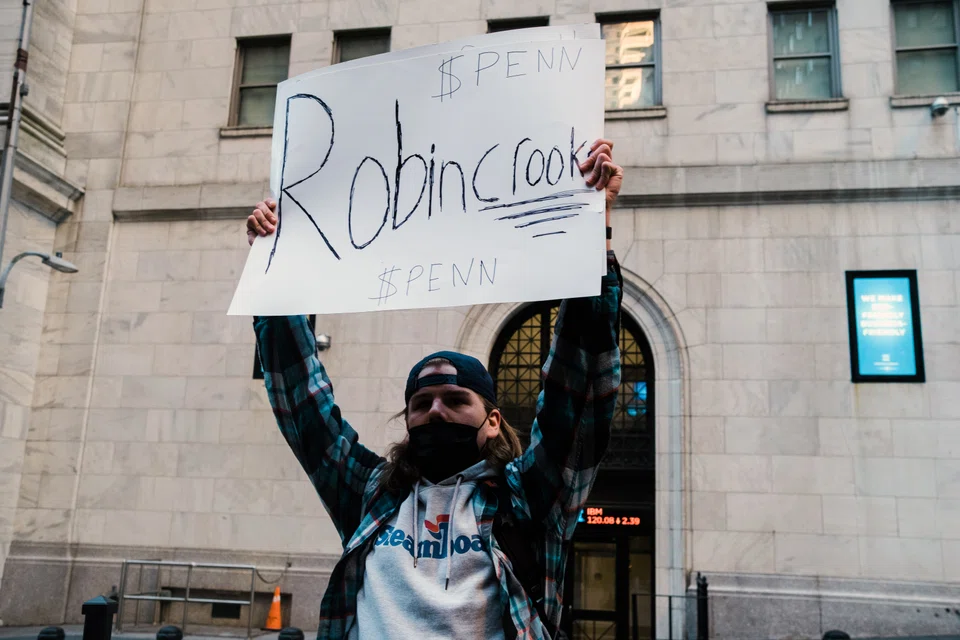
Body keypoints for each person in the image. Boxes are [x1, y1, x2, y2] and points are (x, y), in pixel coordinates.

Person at [246, 139, 624, 640]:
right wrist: (275, 275)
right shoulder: (370, 495)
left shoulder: (531, 499)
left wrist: (590, 236)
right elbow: (303, 405)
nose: (437, 411)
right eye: (421, 404)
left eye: (456, 399)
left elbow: (579, 388)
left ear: (492, 419)